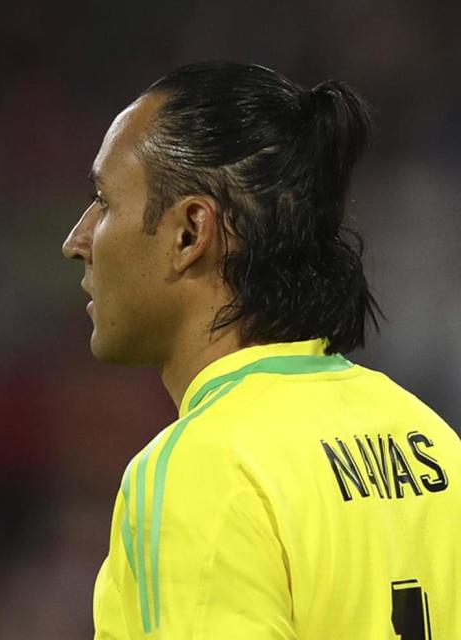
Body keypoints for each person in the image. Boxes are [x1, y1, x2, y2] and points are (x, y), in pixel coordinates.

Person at [62, 62, 461, 639]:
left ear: (189, 233)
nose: (77, 240)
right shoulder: (429, 438)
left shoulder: (205, 468)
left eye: (103, 201)